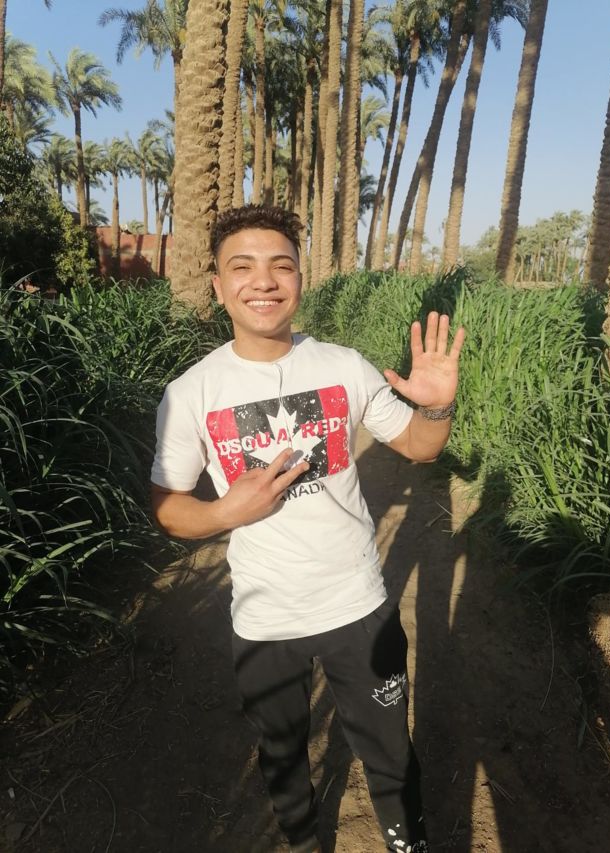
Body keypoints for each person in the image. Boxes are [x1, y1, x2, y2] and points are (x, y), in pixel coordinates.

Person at [150, 204, 465, 853]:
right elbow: (168, 504)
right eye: (243, 267)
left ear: (300, 276)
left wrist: (436, 406)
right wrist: (224, 513)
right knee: (283, 754)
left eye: (280, 265)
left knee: (391, 756)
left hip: (359, 605)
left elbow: (420, 446)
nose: (263, 281)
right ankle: (301, 843)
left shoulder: (343, 366)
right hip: (265, 618)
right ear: (218, 285)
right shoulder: (191, 393)